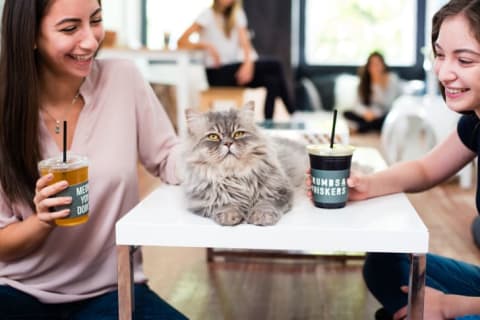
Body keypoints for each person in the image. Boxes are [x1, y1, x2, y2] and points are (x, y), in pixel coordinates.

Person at [0, 0, 187, 319]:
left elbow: (169, 157)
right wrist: (43, 221)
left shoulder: (123, 79)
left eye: (96, 20)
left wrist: (223, 160)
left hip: (112, 291)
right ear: (30, 35)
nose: (90, 40)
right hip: (16, 291)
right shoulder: (6, 109)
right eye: (70, 28)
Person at [329, 1, 480, 319]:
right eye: (439, 55)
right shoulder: (474, 122)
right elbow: (426, 169)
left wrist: (449, 306)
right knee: (385, 263)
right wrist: (366, 185)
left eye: (464, 60)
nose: (443, 72)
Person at [177, 0, 296, 120]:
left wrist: (248, 65)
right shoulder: (207, 15)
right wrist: (207, 46)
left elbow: (245, 44)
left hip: (233, 71)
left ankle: (268, 122)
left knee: (272, 81)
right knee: (275, 65)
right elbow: (181, 41)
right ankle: (293, 112)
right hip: (217, 73)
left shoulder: (237, 15)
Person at [343, 51, 403, 133]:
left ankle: (360, 128)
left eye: (378, 64)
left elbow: (389, 104)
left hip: (385, 114)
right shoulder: (364, 82)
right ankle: (370, 126)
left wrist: (380, 86)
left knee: (387, 119)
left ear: (383, 65)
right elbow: (356, 105)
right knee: (347, 113)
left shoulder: (392, 79)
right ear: (368, 67)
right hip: (369, 114)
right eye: (373, 64)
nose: (376, 67)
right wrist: (366, 113)